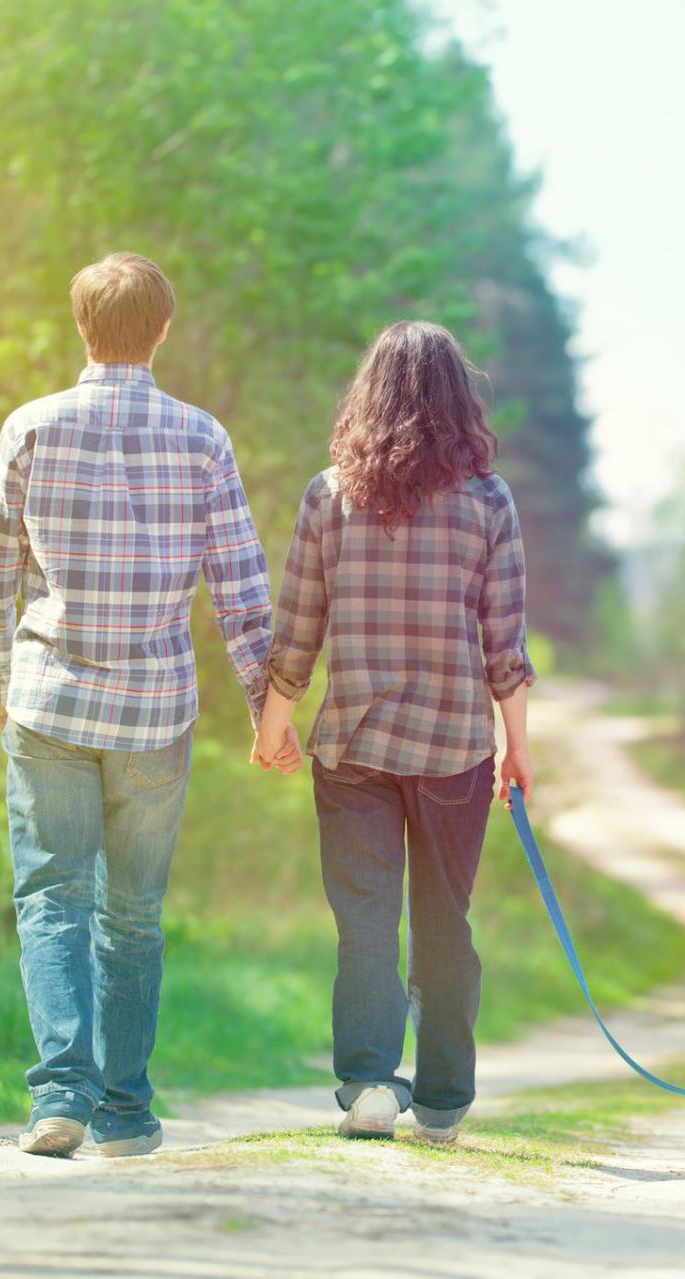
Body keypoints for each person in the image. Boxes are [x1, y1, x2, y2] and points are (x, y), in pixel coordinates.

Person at [0, 251, 300, 1159]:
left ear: (82, 327)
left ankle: (58, 1098)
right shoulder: (202, 437)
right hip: (155, 712)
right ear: (160, 331)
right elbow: (241, 590)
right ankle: (123, 1111)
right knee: (133, 915)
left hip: (50, 702)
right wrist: (270, 708)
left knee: (50, 899)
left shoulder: (30, 428)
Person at [254, 320, 535, 1145]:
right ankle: (444, 1099)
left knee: (367, 920)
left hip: (353, 749)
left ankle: (371, 1082)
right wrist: (519, 748)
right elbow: (505, 644)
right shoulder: (489, 500)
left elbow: (296, 630)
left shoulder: (328, 495)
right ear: (459, 401)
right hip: (454, 749)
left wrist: (275, 727)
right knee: (446, 918)